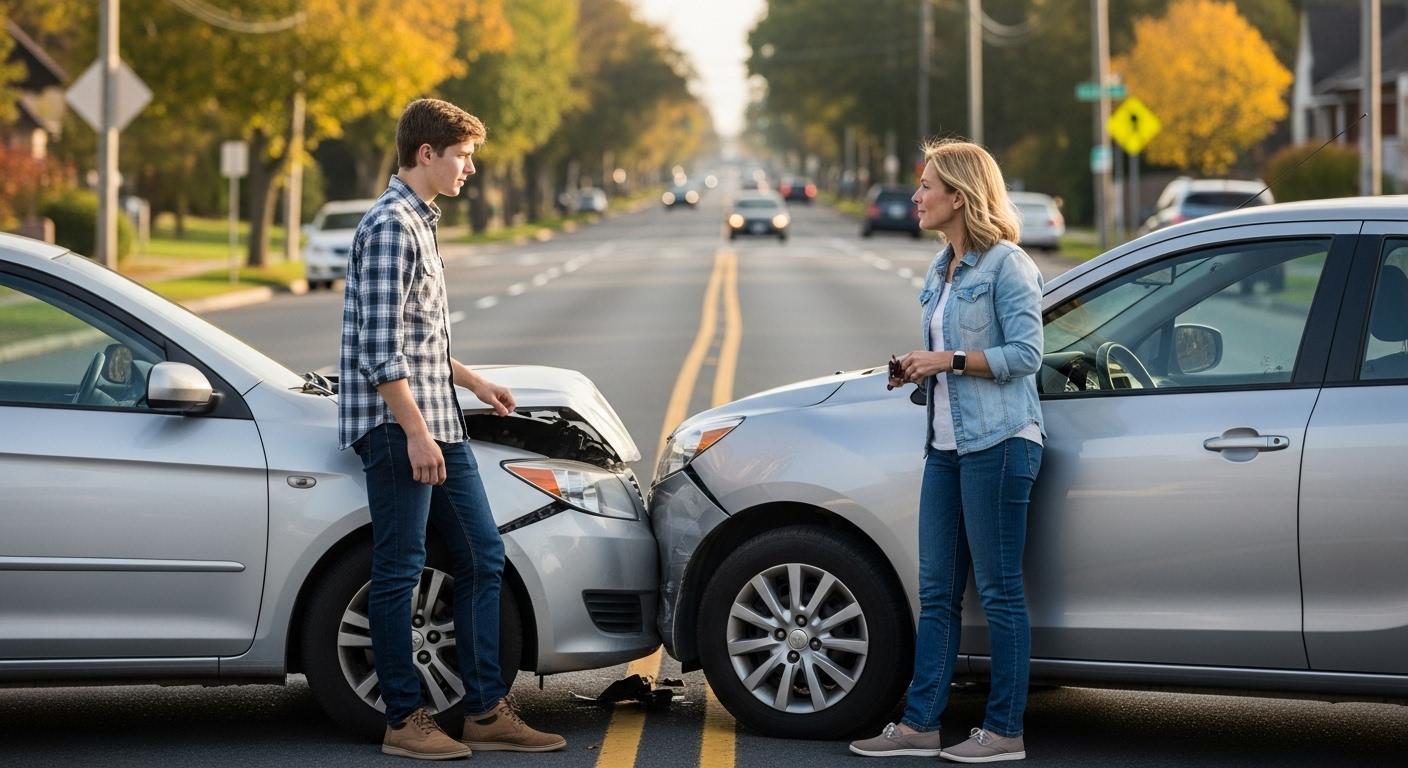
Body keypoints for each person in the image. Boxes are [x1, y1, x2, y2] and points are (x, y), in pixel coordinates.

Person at [339, 98, 565, 760]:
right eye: (463, 155)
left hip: (437, 418)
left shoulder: (418, 221)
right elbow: (380, 350)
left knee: (480, 556)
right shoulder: (391, 228)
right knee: (400, 567)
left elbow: (418, 337)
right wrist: (412, 433)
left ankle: (485, 711)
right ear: (427, 154)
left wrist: (473, 382)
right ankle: (405, 720)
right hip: (399, 427)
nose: (471, 167)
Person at [849, 139, 1045, 763]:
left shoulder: (1007, 265)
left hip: (1000, 444)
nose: (916, 197)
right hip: (945, 447)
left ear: (958, 197)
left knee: (999, 592)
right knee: (935, 593)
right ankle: (920, 724)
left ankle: (1004, 731)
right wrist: (921, 369)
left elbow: (1027, 356)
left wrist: (950, 360)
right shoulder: (941, 270)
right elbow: (951, 356)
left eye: (927, 186)